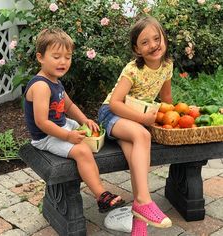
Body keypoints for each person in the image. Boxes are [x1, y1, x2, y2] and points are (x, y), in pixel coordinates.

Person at [24, 28, 125, 213]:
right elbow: (42, 123)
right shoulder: (41, 86)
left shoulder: (55, 81)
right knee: (82, 151)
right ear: (40, 57)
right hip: (46, 137)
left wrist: (84, 120)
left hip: (61, 126)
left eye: (67, 57)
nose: (63, 62)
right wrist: (68, 136)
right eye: (56, 56)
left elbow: (69, 106)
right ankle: (101, 195)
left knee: (93, 131)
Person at [98, 16, 173, 234]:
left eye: (156, 39)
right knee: (143, 136)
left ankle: (138, 222)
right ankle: (145, 202)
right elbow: (114, 103)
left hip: (133, 120)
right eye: (145, 42)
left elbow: (167, 100)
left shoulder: (167, 65)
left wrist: (171, 118)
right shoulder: (132, 70)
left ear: (164, 39)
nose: (153, 45)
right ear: (137, 49)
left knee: (135, 157)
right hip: (111, 115)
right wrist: (143, 120)